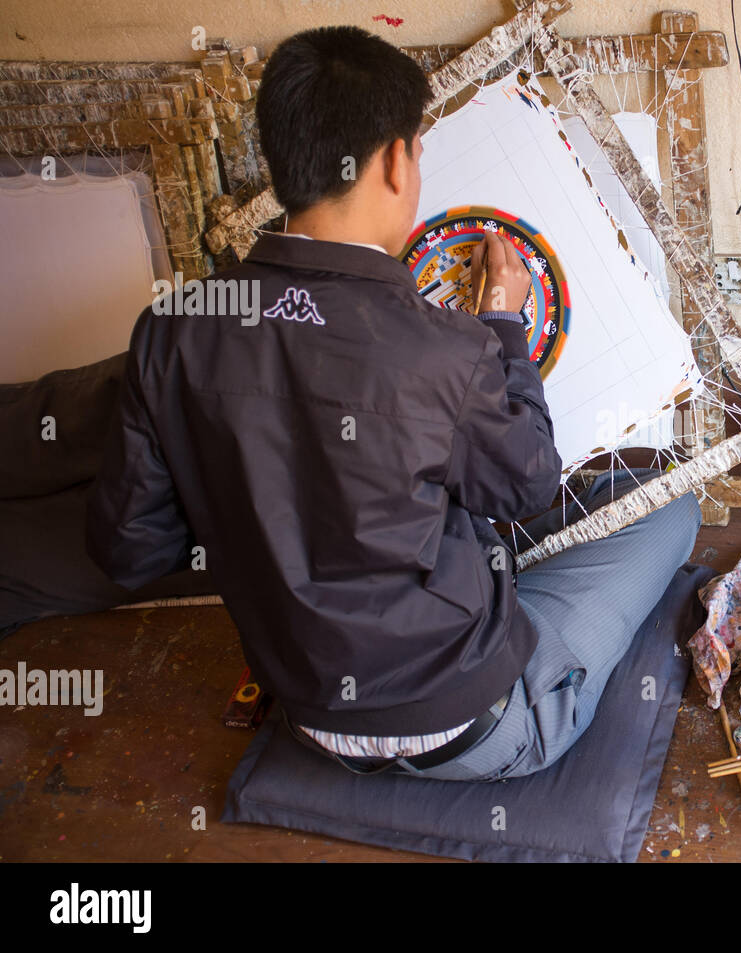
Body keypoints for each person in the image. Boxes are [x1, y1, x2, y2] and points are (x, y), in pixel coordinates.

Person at [85, 26, 702, 783]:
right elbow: (529, 485)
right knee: (673, 509)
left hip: (308, 712)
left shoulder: (172, 329)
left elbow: (131, 550)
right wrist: (504, 326)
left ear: (284, 164)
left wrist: (262, 513)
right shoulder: (446, 347)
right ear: (393, 161)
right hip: (475, 728)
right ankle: (532, 694)